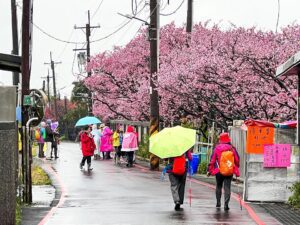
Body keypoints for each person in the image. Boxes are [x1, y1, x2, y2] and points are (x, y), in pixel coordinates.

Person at [207, 132, 240, 211]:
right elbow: (237, 160)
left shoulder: (217, 148)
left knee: (218, 186)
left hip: (218, 170)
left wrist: (210, 170)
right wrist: (236, 167)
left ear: (220, 140)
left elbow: (212, 160)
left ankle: (218, 202)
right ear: (228, 139)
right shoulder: (232, 148)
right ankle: (226, 204)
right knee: (227, 187)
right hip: (229, 170)